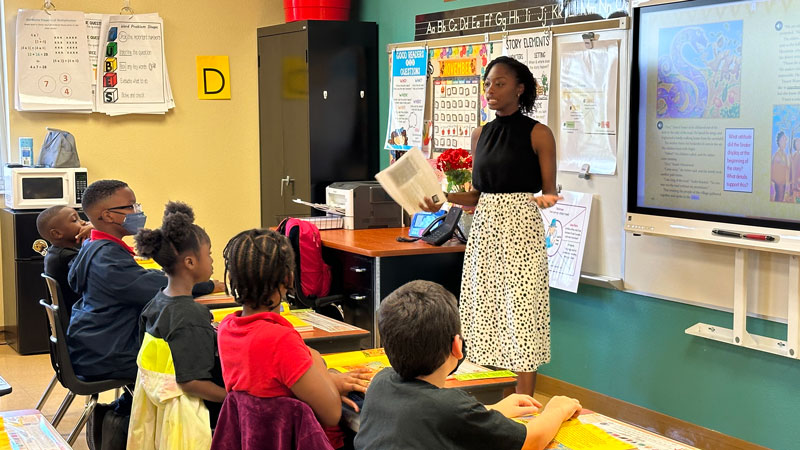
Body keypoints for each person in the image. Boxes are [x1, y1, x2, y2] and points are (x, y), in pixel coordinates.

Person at [421, 56, 561, 396]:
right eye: (487, 84)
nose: (491, 90)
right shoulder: (480, 134)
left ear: (520, 88)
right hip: (484, 229)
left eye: (499, 83)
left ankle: (524, 406)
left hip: (522, 228)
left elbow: (551, 192)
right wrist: (443, 198)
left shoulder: (539, 134)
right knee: (484, 309)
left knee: (522, 312)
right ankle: (487, 398)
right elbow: (476, 194)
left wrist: (546, 200)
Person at [354, 280, 582, 450]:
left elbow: (442, 420)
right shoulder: (448, 405)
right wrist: (557, 409)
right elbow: (532, 440)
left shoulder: (381, 383)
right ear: (457, 345)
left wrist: (494, 411)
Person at [217, 229, 370, 449]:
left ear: (232, 279)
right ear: (289, 278)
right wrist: (316, 361)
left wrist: (326, 381)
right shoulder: (280, 340)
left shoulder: (227, 329)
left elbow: (270, 388)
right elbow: (332, 413)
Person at [67, 180, 220, 384]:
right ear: (107, 215)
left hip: (99, 343)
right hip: (111, 354)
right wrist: (206, 284)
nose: (137, 212)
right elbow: (154, 287)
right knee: (207, 363)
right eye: (130, 206)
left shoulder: (96, 246)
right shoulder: (107, 260)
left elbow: (142, 281)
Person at [127, 202, 226, 449]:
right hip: (186, 417)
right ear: (190, 262)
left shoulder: (157, 302)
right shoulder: (192, 315)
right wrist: (233, 399)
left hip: (157, 407)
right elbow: (192, 382)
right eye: (210, 253)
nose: (212, 260)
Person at [36, 205, 92, 313]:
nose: (84, 222)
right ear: (57, 234)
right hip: (82, 316)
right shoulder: (66, 257)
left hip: (74, 314)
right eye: (75, 220)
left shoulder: (54, 252)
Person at [771, 131, 790, 202]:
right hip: (779, 184)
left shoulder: (784, 155)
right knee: (779, 198)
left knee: (781, 199)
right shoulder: (777, 155)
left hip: (784, 183)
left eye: (785, 140)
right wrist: (779, 183)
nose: (784, 142)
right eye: (782, 140)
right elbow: (773, 173)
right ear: (778, 142)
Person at [790, 137, 800, 202]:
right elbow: (792, 170)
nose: (798, 145)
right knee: (796, 198)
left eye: (799, 143)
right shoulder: (793, 156)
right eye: (796, 144)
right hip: (795, 181)